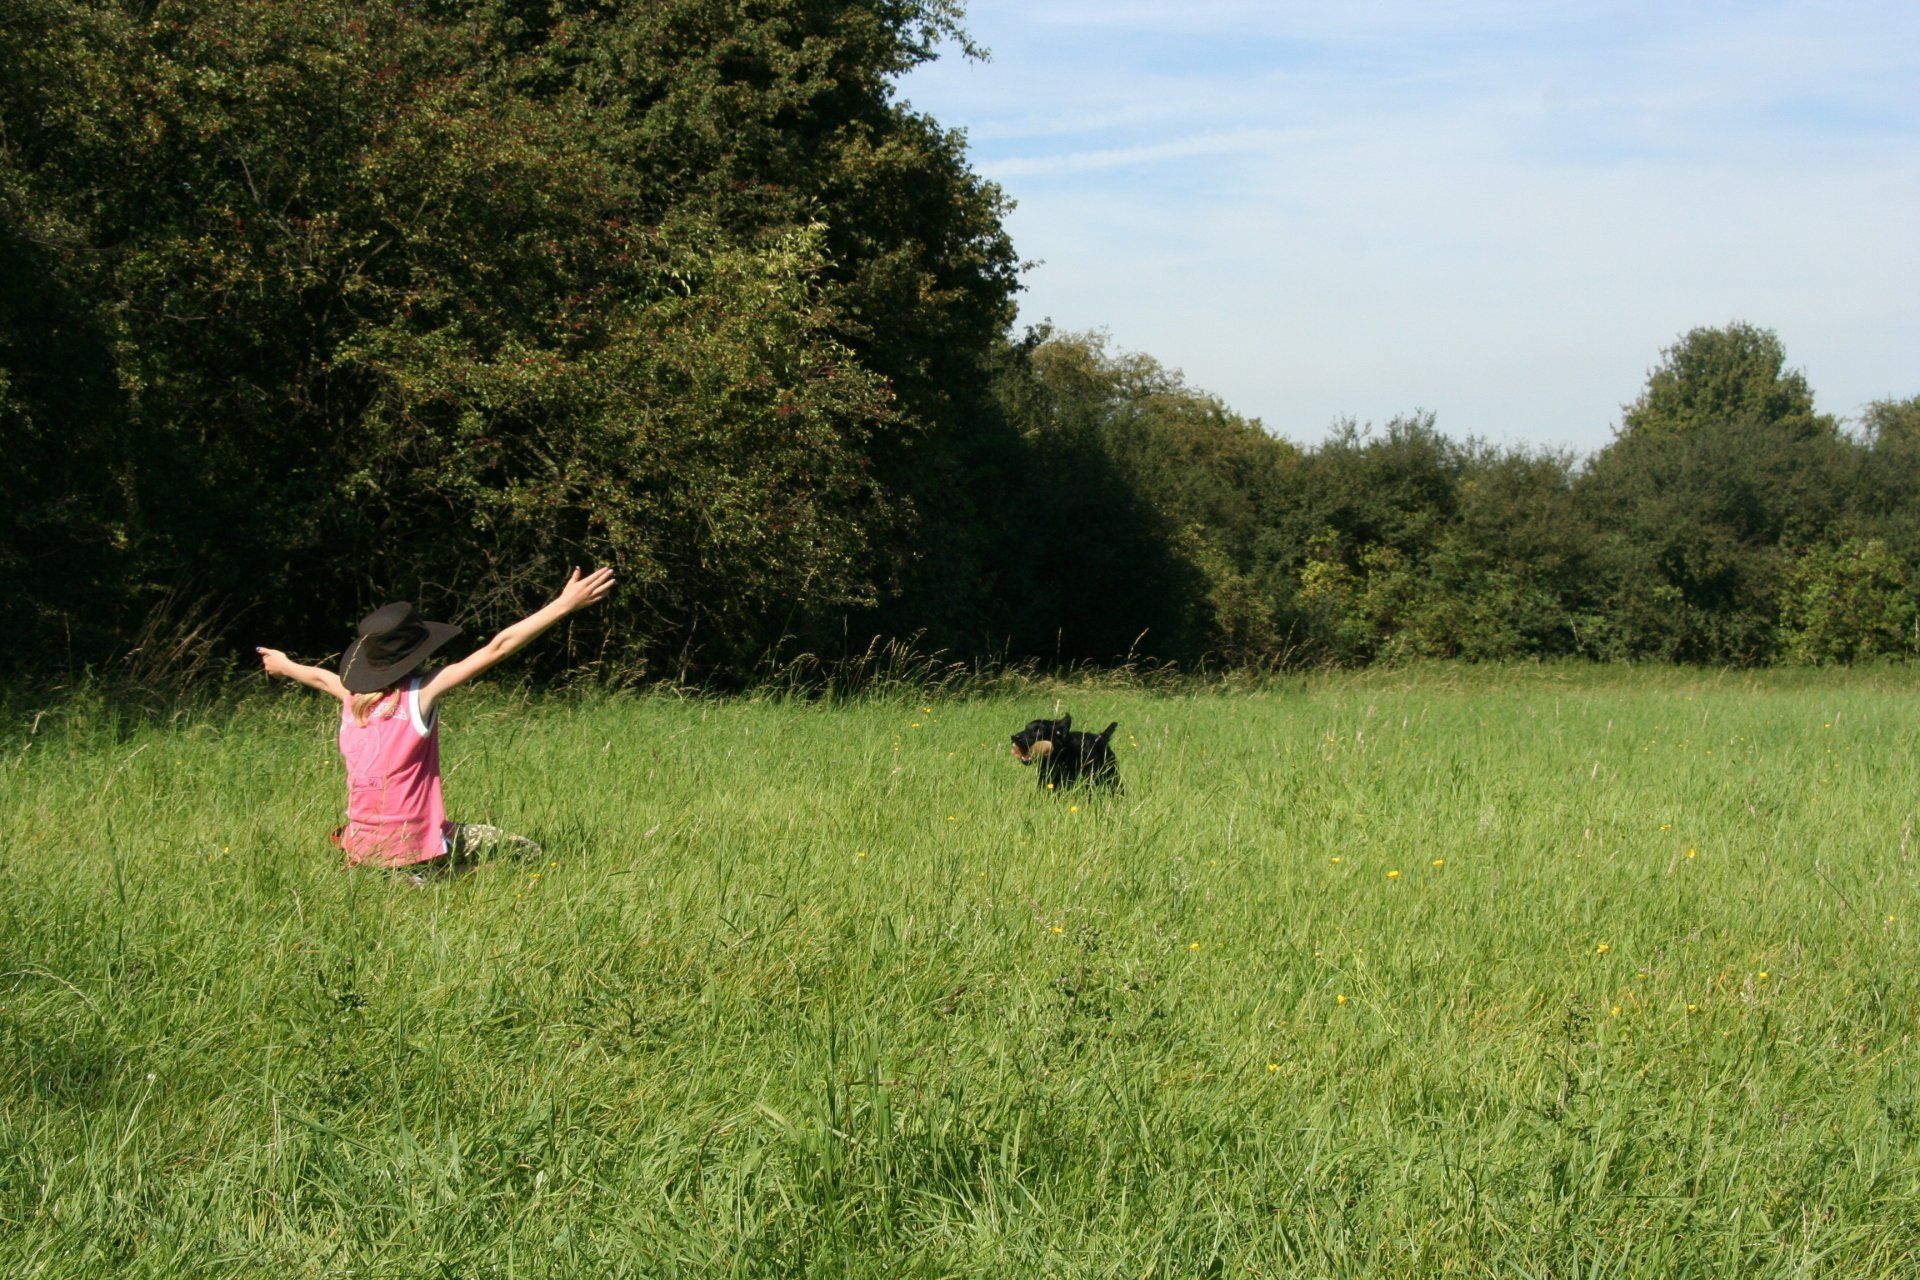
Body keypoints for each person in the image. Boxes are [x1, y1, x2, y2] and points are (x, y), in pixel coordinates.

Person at [256, 567, 616, 879]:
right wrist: (564, 605)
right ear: (415, 655)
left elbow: (320, 678)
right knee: (524, 851)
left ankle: (408, 876)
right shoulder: (420, 694)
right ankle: (444, 876)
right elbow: (497, 648)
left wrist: (284, 664)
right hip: (411, 846)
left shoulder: (352, 699)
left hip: (362, 847)